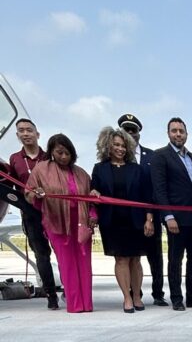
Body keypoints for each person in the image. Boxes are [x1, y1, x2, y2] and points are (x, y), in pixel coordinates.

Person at [25, 134, 97, 313]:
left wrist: (93, 214)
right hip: (57, 223)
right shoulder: (41, 170)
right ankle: (75, 304)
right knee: (67, 263)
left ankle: (87, 304)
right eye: (59, 152)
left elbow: (91, 199)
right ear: (52, 152)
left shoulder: (81, 173)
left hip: (80, 223)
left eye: (67, 153)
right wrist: (37, 194)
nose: (64, 157)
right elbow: (29, 193)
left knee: (84, 263)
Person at [150, 117, 192, 311]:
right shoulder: (161, 156)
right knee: (175, 260)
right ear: (168, 133)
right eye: (174, 131)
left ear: (187, 134)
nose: (178, 134)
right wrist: (168, 216)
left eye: (181, 131)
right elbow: (159, 190)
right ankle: (177, 298)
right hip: (176, 220)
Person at [89, 127, 151, 313]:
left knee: (136, 260)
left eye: (123, 145)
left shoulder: (137, 169)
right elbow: (94, 191)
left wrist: (149, 219)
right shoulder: (99, 169)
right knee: (121, 259)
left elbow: (146, 195)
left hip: (136, 221)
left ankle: (137, 295)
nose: (120, 149)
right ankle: (126, 297)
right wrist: (94, 193)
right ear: (107, 145)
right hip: (113, 222)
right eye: (116, 144)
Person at [8, 118, 58, 309]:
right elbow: (11, 186)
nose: (26, 133)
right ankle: (51, 295)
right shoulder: (15, 159)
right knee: (41, 254)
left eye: (29, 130)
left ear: (38, 134)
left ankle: (70, 290)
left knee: (61, 251)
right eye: (21, 131)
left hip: (53, 211)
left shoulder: (49, 157)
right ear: (18, 135)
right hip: (30, 213)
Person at [118, 113, 167, 306]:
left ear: (139, 133)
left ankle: (158, 293)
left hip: (150, 214)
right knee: (130, 256)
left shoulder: (152, 156)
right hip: (125, 217)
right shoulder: (116, 156)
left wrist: (155, 216)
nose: (130, 133)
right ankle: (132, 293)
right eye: (126, 130)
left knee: (155, 256)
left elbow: (157, 186)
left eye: (133, 130)